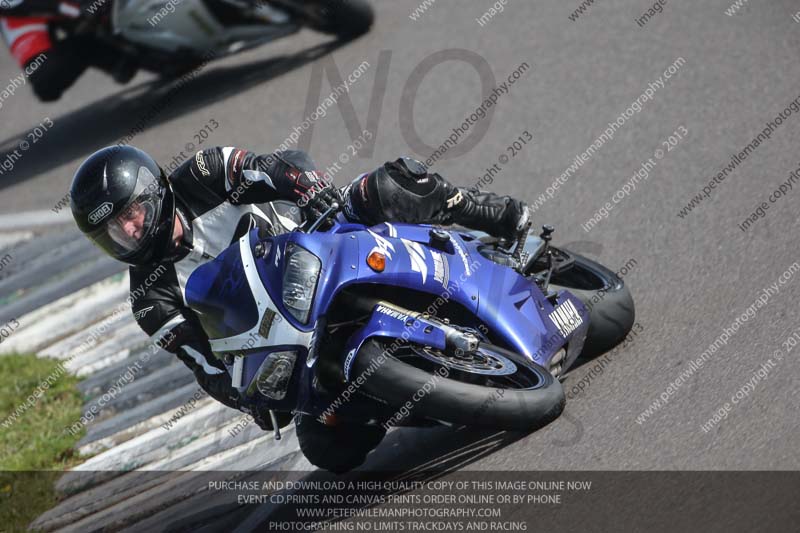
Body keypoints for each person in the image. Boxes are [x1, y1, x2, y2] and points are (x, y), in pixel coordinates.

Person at [69, 145, 530, 472]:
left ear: (155, 192)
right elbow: (206, 367)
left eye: (132, 213)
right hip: (289, 337)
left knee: (388, 186)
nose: (130, 230)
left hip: (322, 242)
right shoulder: (150, 299)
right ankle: (413, 393)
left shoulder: (204, 173)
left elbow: (275, 165)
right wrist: (247, 398)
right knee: (327, 448)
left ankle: (492, 215)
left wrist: (310, 188)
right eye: (114, 230)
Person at [1, 0, 135, 101]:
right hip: (37, 15)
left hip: (70, 9)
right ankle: (113, 56)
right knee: (45, 83)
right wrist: (76, 11)